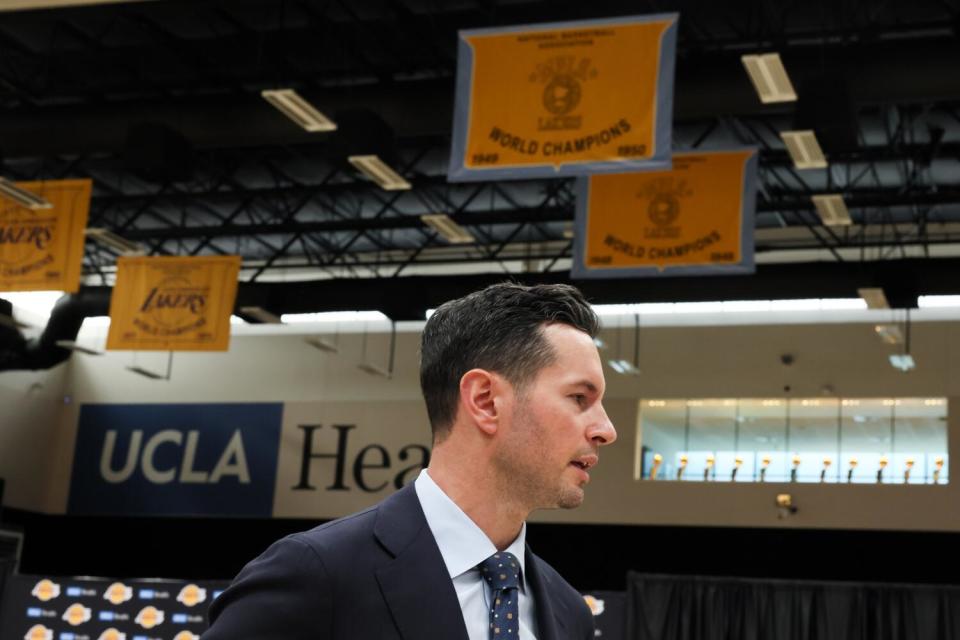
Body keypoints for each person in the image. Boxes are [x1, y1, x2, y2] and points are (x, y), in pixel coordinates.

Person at [203, 282, 617, 640]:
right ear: (486, 401)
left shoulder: (568, 611)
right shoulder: (316, 576)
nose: (606, 429)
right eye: (579, 398)